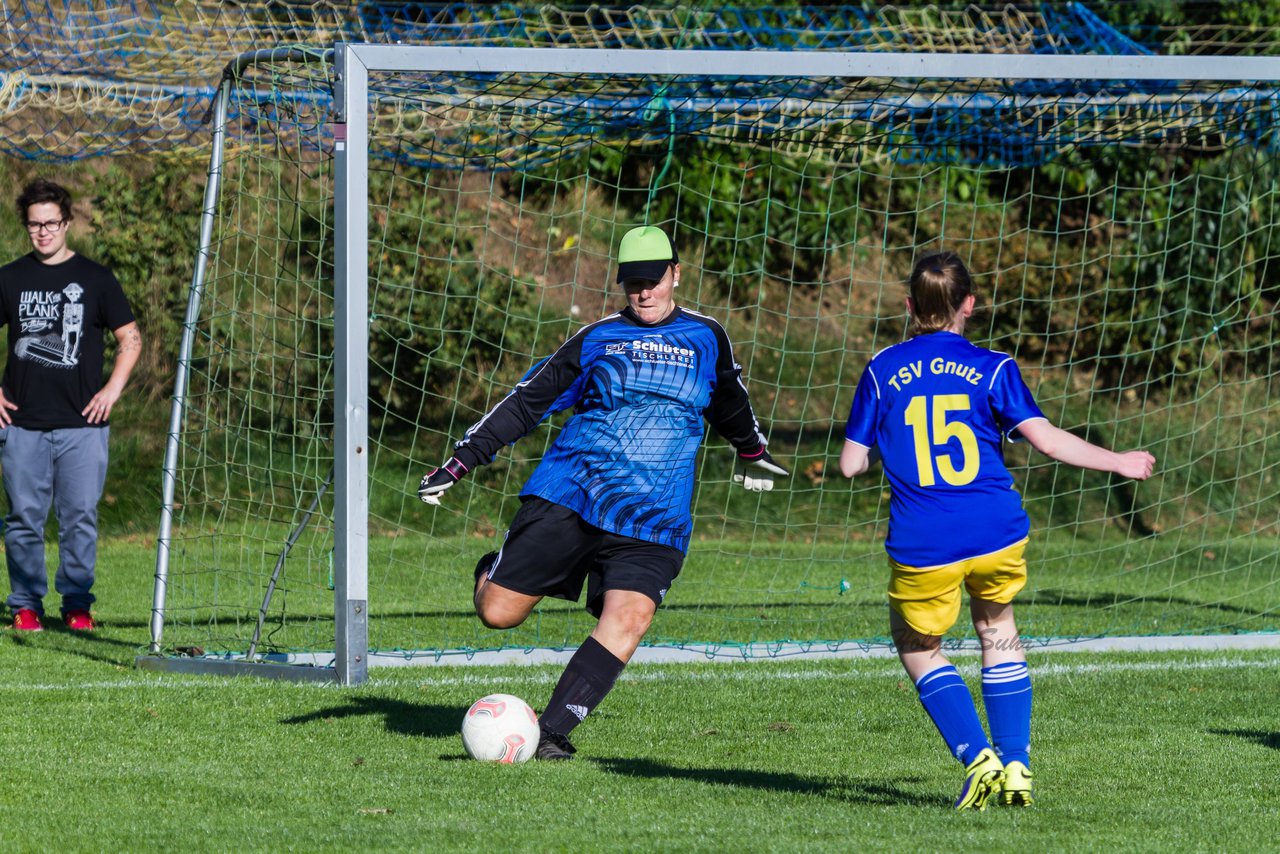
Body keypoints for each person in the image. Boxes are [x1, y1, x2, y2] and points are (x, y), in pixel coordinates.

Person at [419, 225, 788, 759]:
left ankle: (549, 734)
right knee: (497, 613)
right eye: (633, 282)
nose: (644, 292)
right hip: (573, 493)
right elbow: (528, 401)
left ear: (676, 274)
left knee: (630, 617)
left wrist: (753, 451)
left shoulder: (707, 336)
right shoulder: (598, 338)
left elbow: (728, 399)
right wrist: (460, 463)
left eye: (654, 281)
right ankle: (494, 565)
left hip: (655, 517)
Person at [839, 250, 1154, 810]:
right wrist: (1120, 461)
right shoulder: (994, 367)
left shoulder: (883, 368)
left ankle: (976, 756)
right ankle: (1017, 768)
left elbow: (849, 464)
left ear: (910, 306)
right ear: (970, 304)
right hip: (996, 530)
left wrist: (878, 452)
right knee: (997, 630)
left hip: (925, 538)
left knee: (914, 641)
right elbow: (1049, 440)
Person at [0, 178, 141, 632]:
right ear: (26, 226)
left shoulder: (96, 279)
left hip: (83, 424)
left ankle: (77, 604)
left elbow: (130, 339)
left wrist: (112, 390)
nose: (43, 232)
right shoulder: (10, 278)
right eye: (34, 225)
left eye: (51, 223)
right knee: (24, 519)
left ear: (67, 223)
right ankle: (25, 604)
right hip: (21, 423)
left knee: (79, 517)